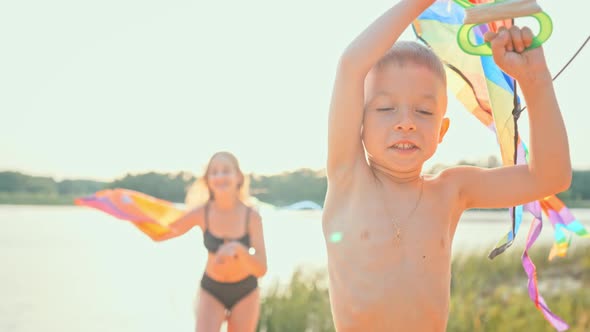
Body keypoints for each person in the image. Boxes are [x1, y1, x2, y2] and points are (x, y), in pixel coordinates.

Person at [322, 0, 571, 331]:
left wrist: (536, 82)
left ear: (441, 131)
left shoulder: (452, 191)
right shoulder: (348, 179)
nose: (406, 123)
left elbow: (550, 176)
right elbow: (351, 65)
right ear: (359, 124)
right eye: (386, 109)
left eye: (423, 112)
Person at [154, 151, 268, 332]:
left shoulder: (252, 217)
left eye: (225, 171)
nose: (220, 176)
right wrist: (128, 210)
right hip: (212, 290)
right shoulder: (202, 212)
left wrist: (239, 249)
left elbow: (261, 268)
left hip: (246, 291)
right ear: (208, 180)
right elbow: (161, 233)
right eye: (214, 172)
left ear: (238, 177)